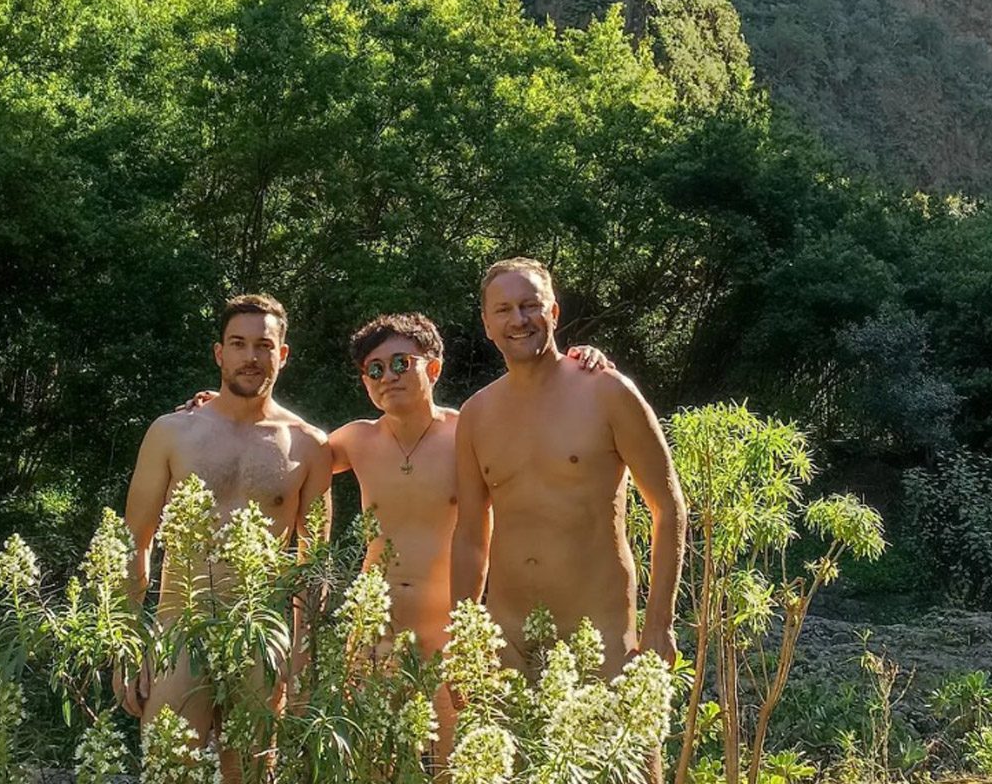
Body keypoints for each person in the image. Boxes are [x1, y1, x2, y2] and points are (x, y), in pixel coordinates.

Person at [182, 312, 610, 769]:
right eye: (375, 369)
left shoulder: (470, 431)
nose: (388, 376)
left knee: (456, 770)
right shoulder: (356, 441)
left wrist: (577, 369)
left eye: (401, 363)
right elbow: (289, 446)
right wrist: (229, 411)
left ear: (434, 368)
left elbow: (538, 421)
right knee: (372, 771)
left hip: (451, 641)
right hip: (372, 643)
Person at [115, 294, 333, 782]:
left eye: (263, 345)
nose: (250, 357)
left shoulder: (309, 444)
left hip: (260, 636)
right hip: (178, 630)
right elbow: (137, 540)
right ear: (219, 353)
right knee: (168, 772)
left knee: (254, 776)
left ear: (283, 354)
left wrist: (302, 659)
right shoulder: (172, 432)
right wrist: (128, 642)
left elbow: (312, 566)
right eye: (238, 343)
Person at [450, 257, 687, 683]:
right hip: (511, 639)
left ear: (554, 312)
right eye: (503, 310)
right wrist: (464, 640)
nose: (518, 319)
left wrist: (659, 625)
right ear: (486, 323)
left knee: (623, 751)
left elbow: (668, 508)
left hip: (599, 634)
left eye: (530, 305)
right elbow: (470, 535)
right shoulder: (475, 415)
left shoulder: (606, 391)